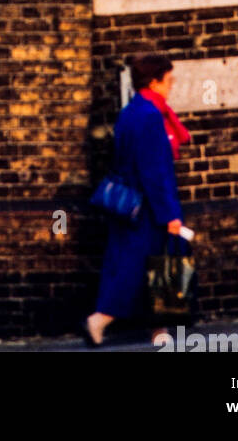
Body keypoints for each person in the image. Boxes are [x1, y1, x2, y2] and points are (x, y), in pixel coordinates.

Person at [85, 52, 192, 346]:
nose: (172, 85)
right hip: (148, 208)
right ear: (154, 82)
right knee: (151, 266)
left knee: (143, 265)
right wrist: (169, 213)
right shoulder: (150, 116)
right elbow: (154, 169)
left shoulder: (132, 110)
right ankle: (101, 319)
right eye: (168, 80)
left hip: (131, 204)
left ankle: (160, 330)